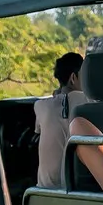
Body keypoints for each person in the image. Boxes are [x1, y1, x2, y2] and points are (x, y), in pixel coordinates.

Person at [36, 51, 84, 188]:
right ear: (73, 78)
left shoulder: (40, 106)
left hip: (47, 188)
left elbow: (39, 130)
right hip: (78, 185)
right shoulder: (87, 101)